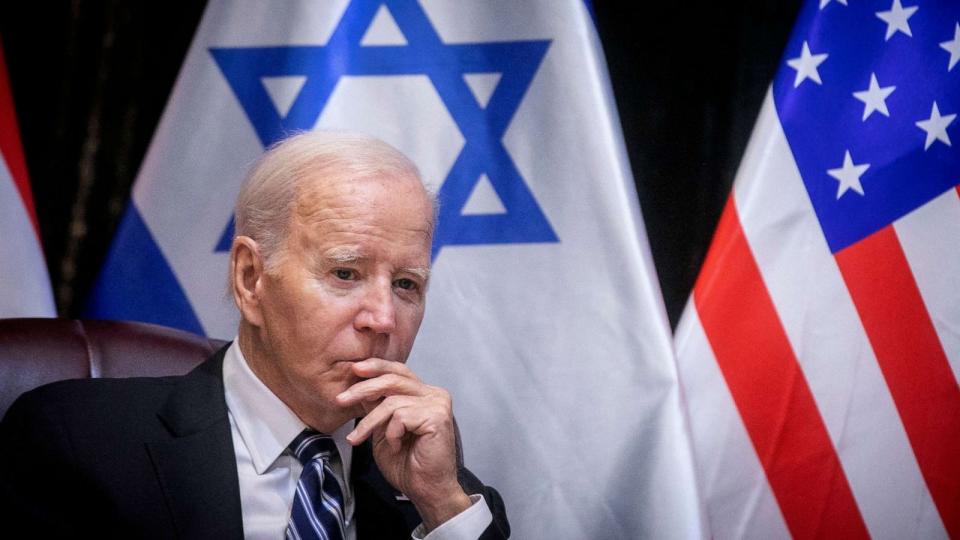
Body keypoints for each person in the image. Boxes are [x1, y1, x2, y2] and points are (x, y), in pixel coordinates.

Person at [0, 131, 509, 539]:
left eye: (406, 285)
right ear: (250, 278)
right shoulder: (80, 441)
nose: (383, 318)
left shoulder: (440, 496)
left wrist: (440, 504)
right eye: (345, 273)